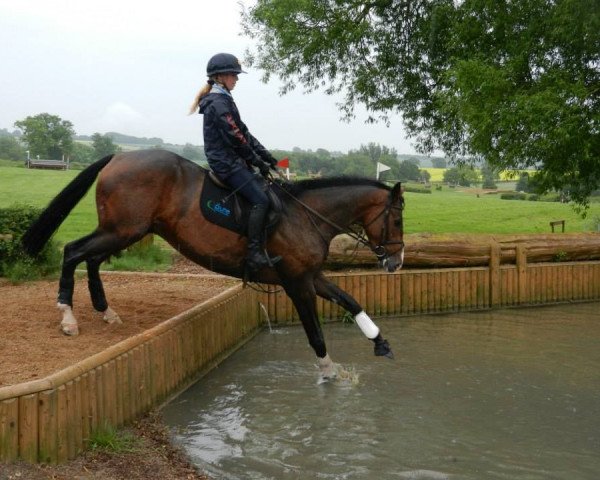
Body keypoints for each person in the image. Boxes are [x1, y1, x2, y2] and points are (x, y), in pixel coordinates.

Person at [189, 52, 281, 271]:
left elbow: (244, 133)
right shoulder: (217, 103)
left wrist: (266, 156)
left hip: (233, 160)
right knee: (261, 200)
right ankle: (254, 254)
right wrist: (256, 161)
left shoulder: (224, 100)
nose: (236, 79)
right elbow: (235, 137)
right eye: (233, 75)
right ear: (220, 77)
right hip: (225, 163)